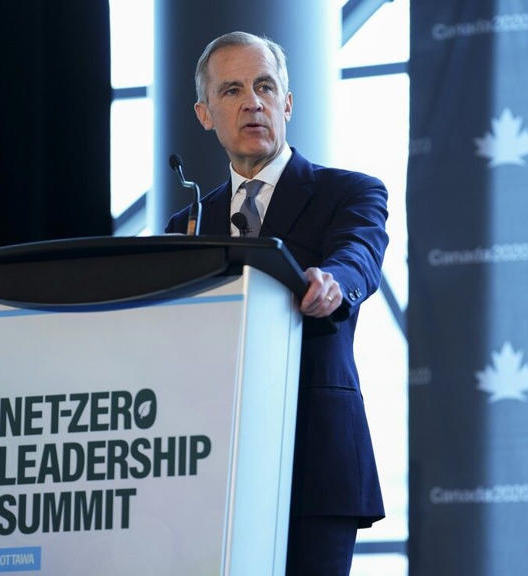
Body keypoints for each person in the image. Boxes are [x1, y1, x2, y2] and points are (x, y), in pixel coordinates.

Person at [166, 31, 389, 576]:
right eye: (233, 90)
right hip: (212, 469)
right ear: (205, 113)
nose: (253, 102)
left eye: (265, 87)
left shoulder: (350, 192)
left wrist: (334, 283)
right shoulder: (186, 226)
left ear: (286, 103)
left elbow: (359, 254)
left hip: (317, 458)